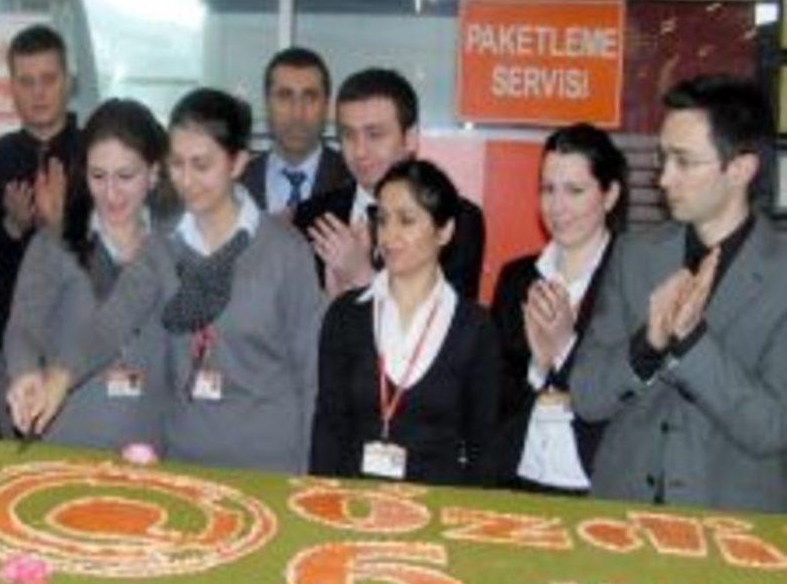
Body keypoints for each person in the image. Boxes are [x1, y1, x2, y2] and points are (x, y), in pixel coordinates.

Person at [17, 88, 325, 474]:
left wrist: (310, 471)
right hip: (184, 458)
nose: (187, 180)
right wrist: (60, 378)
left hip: (268, 463)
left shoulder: (285, 251)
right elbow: (113, 321)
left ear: (237, 163)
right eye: (177, 163)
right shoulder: (163, 245)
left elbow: (312, 375)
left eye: (201, 165)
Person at [571, 75, 787, 513]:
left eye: (684, 162)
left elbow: (772, 428)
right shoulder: (636, 254)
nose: (665, 178)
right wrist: (646, 347)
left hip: (730, 521)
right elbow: (587, 396)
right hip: (624, 512)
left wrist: (692, 343)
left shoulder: (780, 272)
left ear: (740, 169)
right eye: (663, 158)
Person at [310, 159, 499, 485]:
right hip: (353, 501)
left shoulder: (476, 328)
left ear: (444, 231)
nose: (389, 235)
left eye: (406, 220)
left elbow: (483, 446)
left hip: (438, 504)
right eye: (382, 220)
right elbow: (329, 428)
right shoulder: (346, 315)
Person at [4, 99, 171, 450]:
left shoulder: (174, 245)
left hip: (156, 442)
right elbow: (23, 328)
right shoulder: (55, 244)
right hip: (69, 439)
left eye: (125, 176)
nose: (111, 193)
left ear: (154, 172)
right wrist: (25, 372)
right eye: (98, 176)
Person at [490, 124, 628, 494]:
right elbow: (496, 386)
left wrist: (563, 350)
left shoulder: (632, 278)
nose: (557, 206)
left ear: (610, 195)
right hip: (520, 475)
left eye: (574, 191)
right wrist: (538, 368)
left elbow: (628, 388)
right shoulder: (518, 277)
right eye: (548, 189)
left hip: (598, 478)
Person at [294, 68, 484, 300]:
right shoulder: (313, 216)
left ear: (409, 138)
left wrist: (364, 277)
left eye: (374, 135)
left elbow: (453, 315)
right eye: (348, 135)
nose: (360, 151)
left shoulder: (456, 218)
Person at [0, 24, 80, 348]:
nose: (38, 93)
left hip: (87, 349)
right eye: (26, 82)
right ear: (11, 87)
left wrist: (58, 226)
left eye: (48, 79)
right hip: (9, 345)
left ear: (68, 82)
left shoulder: (96, 158)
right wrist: (11, 229)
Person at [239, 47, 351, 213]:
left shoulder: (354, 179)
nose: (297, 114)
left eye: (310, 97)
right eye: (285, 96)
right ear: (266, 103)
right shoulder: (236, 181)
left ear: (327, 106)